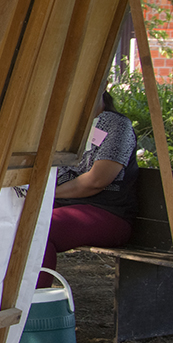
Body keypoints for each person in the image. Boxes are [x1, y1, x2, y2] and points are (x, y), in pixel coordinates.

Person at [40, 91, 138, 287]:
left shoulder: (117, 125)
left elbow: (97, 181)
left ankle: (36, 305)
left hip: (108, 212)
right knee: (13, 221)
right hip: (65, 205)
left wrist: (47, 194)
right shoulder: (66, 123)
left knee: (41, 230)